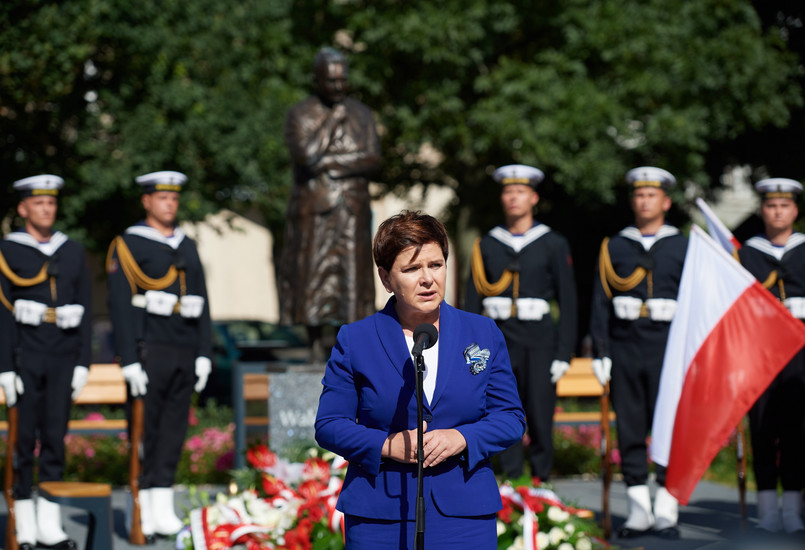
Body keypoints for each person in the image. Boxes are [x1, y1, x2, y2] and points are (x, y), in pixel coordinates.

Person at [315, 210, 525, 549]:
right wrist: (387, 446)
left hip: (464, 515)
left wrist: (461, 437)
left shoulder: (482, 332)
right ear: (386, 279)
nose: (428, 279)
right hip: (380, 516)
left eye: (436, 265)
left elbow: (511, 419)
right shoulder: (356, 339)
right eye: (412, 269)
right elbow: (328, 424)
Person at [106, 170, 212, 539]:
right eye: (162, 197)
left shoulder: (187, 243)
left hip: (184, 348)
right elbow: (119, 305)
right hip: (150, 349)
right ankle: (142, 508)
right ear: (147, 201)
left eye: (174, 198)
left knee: (173, 430)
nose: (170, 203)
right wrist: (129, 358)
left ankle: (162, 504)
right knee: (146, 432)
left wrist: (204, 351)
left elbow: (202, 299)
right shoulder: (129, 244)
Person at [589, 166, 687, 539]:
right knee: (630, 427)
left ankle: (666, 508)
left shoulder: (683, 245)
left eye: (652, 195)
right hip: (626, 346)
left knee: (668, 428)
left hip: (667, 348)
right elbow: (601, 300)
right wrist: (601, 350)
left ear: (666, 201)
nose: (644, 201)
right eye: (639, 195)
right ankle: (638, 511)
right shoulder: (615, 246)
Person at [465, 164, 577, 483]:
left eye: (520, 192)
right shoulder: (486, 244)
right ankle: (512, 479)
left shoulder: (552, 243)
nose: (513, 198)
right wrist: (473, 352)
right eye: (508, 192)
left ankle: (542, 481)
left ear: (533, 198)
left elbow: (567, 301)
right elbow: (472, 302)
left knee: (541, 413)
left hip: (539, 339)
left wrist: (563, 354)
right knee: (500, 410)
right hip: (497, 338)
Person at [0, 174, 91, 549]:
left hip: (63, 355)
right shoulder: (9, 251)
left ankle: (49, 522)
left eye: (51, 203)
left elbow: (85, 306)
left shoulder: (71, 250)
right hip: (26, 355)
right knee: (23, 441)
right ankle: (22, 521)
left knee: (55, 438)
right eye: (38, 203)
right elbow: (2, 314)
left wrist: (84, 360)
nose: (46, 209)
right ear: (23, 208)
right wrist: (4, 366)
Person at [279, 46, 381, 361]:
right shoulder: (300, 114)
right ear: (317, 81)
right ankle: (312, 346)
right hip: (315, 210)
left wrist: (332, 164)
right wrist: (332, 123)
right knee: (313, 276)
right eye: (331, 81)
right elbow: (307, 156)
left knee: (351, 278)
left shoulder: (363, 114)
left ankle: (347, 347)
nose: (339, 87)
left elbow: (373, 158)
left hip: (351, 209)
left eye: (343, 81)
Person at [738, 178, 805, 534]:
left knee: (796, 430)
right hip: (760, 355)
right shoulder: (747, 254)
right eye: (771, 206)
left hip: (800, 356)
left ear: (795, 210)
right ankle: (767, 508)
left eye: (784, 206)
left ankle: (793, 508)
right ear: (762, 210)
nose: (777, 212)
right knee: (763, 429)